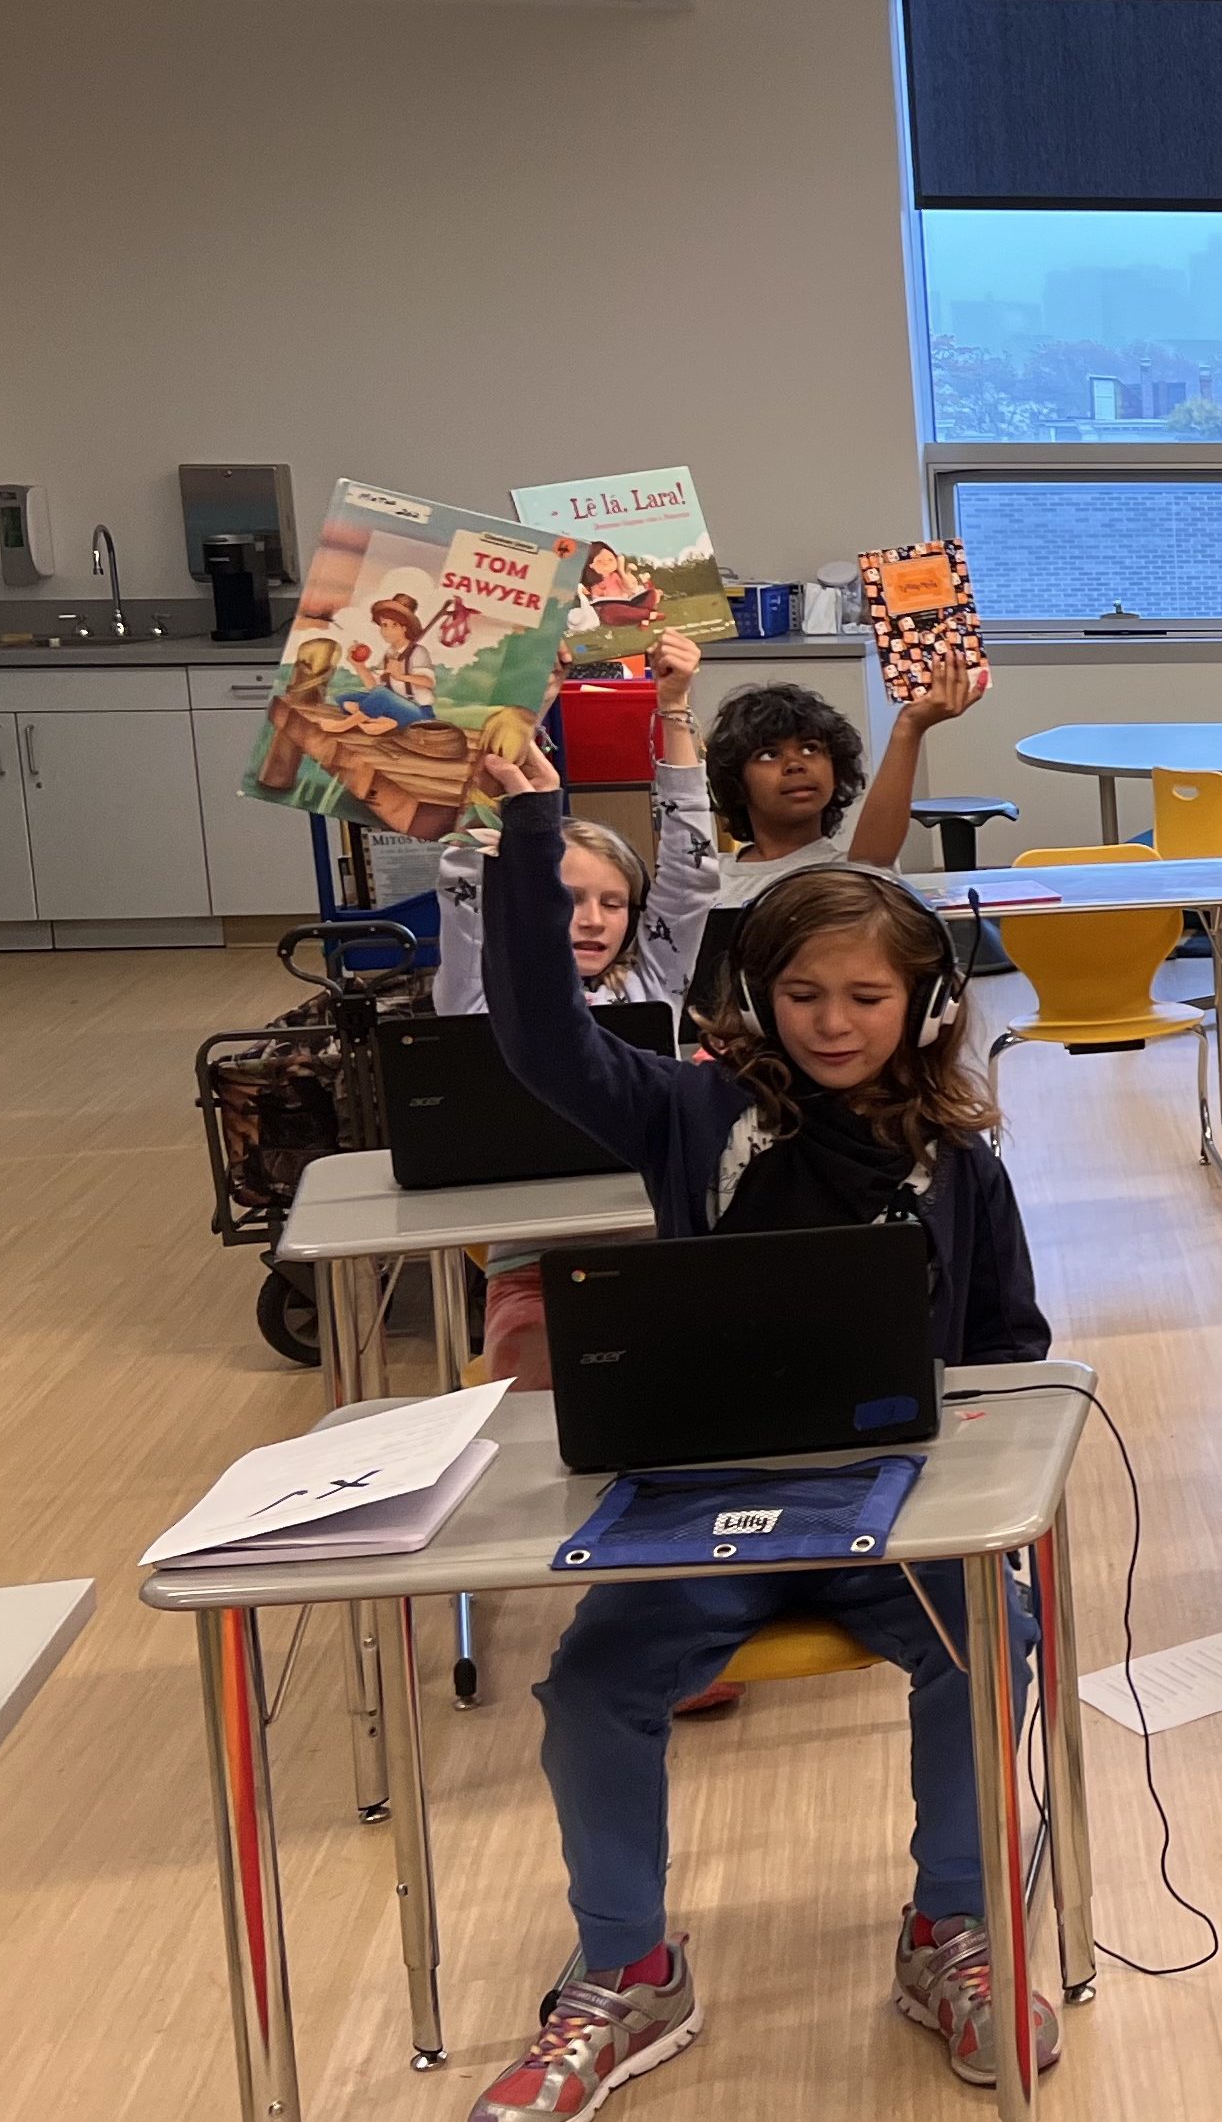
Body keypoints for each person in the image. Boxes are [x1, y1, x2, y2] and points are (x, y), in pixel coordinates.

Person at [459, 742, 1057, 2117]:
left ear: (924, 1006)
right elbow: (544, 1039)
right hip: (698, 1513)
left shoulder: (960, 1162)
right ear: (754, 995)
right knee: (594, 1681)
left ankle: (949, 1931)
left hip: (894, 1508)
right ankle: (627, 1971)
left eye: (864, 997)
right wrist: (528, 820)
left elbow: (1010, 1355)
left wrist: (979, 1460)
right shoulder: (689, 1111)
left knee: (995, 1636)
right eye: (801, 994)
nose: (832, 1023)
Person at [435, 628, 720, 1390]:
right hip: (537, 1263)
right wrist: (517, 725)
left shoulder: (651, 985)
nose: (591, 919)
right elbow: (471, 877)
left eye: (612, 902)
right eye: (567, 898)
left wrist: (676, 707)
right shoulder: (481, 990)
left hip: (661, 1242)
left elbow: (690, 879)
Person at [701, 663, 966, 901]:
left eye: (810, 749)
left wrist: (909, 728)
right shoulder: (707, 877)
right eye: (769, 755)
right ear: (735, 781)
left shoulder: (846, 871)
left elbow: (868, 866)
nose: (795, 764)